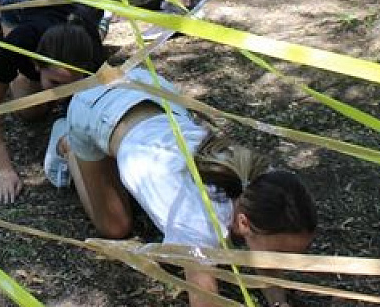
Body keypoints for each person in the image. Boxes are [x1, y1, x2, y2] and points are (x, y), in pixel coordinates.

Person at [51, 67, 317, 307]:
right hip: (98, 105)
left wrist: (278, 302)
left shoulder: (265, 184)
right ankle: (67, 144)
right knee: (114, 227)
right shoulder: (199, 224)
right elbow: (205, 302)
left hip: (153, 92)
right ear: (245, 223)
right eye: (281, 254)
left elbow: (268, 255)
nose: (288, 263)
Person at [0, 0, 104, 203]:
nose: (64, 94)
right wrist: (5, 171)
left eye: (73, 84)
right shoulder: (20, 41)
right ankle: (11, 66)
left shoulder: (89, 49)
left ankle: (103, 20)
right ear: (35, 64)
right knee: (29, 110)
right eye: (55, 83)